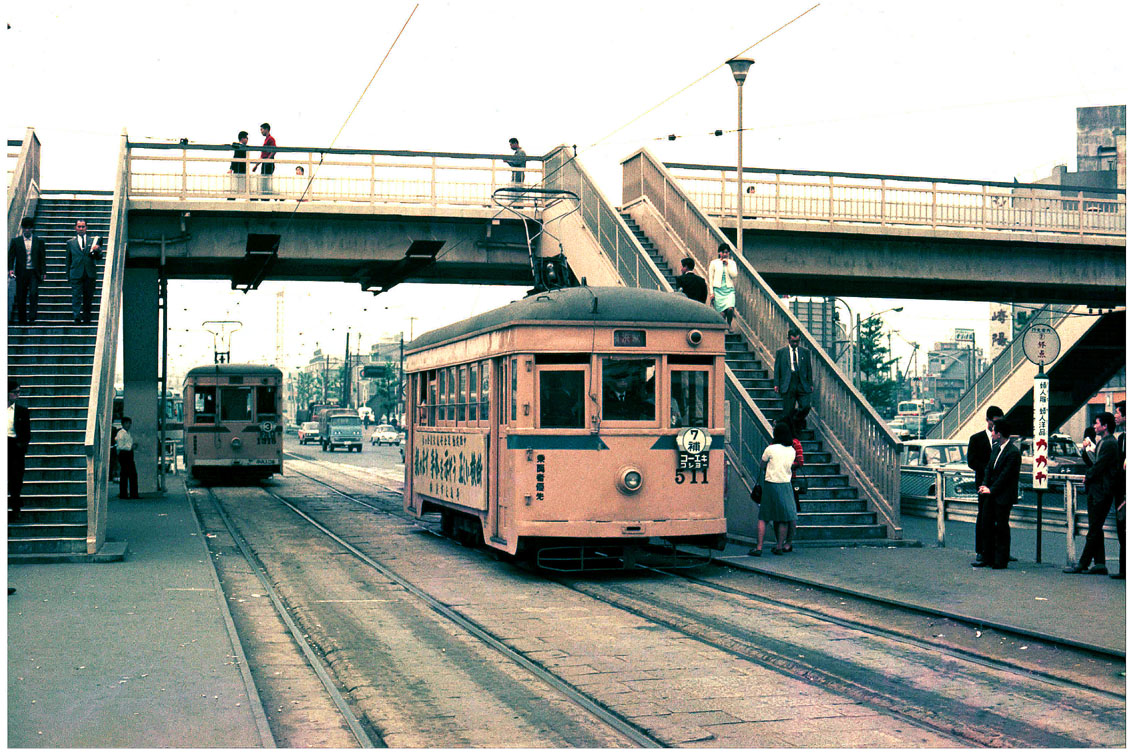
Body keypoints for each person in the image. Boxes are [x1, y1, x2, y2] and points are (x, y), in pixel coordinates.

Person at [1066, 412, 1119, 575]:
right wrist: (1084, 452)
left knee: (1094, 528)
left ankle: (1083, 563)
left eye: (1097, 423)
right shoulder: (1104, 442)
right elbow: (1094, 463)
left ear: (1105, 426)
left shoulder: (1109, 443)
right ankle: (1100, 563)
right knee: (1095, 527)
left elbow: (1099, 466)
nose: (1094, 426)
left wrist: (1087, 477)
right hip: (1097, 490)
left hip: (1102, 491)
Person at [973, 418, 1021, 569]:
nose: (991, 432)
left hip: (1003, 496)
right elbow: (988, 468)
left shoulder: (1013, 452)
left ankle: (1000, 559)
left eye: (993, 430)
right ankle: (987, 556)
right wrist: (984, 484)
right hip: (990, 493)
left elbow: (1005, 476)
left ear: (999, 434)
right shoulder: (995, 448)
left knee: (1001, 527)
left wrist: (991, 489)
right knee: (986, 524)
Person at [749, 422, 798, 556]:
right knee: (783, 518)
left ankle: (759, 547)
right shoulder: (792, 450)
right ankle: (779, 546)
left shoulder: (770, 449)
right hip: (786, 485)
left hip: (771, 484)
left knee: (764, 517)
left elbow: (762, 464)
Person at [967, 405, 1003, 565]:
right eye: (994, 422)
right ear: (987, 420)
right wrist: (987, 470)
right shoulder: (977, 439)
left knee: (1000, 517)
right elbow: (971, 461)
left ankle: (998, 550)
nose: (996, 425)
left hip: (998, 484)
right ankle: (981, 550)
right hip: (983, 482)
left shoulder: (1003, 438)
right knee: (983, 515)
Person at [773, 327, 814, 432]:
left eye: (797, 341)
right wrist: (776, 383)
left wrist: (810, 383)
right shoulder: (781, 352)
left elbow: (809, 368)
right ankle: (793, 431)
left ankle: (796, 420)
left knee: (806, 406)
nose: (795, 344)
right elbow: (777, 369)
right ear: (788, 339)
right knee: (788, 410)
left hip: (801, 382)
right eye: (793, 341)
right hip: (788, 382)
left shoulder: (805, 352)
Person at [8, 217, 47, 325]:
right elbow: (11, 256)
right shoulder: (16, 241)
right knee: (21, 295)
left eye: (29, 228)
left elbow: (42, 258)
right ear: (22, 229)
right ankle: (22, 319)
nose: (27, 231)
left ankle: (32, 317)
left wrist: (44, 272)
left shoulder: (39, 241)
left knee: (34, 293)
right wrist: (10, 269)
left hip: (34, 272)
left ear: (32, 229)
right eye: (25, 228)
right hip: (21, 272)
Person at [67, 219, 102, 324]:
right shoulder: (70, 243)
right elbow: (68, 260)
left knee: (88, 297)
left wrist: (98, 250)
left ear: (86, 228)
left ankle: (86, 317)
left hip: (89, 272)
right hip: (76, 272)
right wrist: (68, 274)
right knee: (76, 296)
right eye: (79, 226)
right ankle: (76, 316)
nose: (81, 229)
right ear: (75, 228)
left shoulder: (92, 241)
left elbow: (98, 257)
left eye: (83, 226)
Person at [8, 378, 30, 519]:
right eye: (15, 392)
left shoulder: (22, 411)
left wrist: (21, 445)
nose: (18, 395)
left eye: (19, 392)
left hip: (14, 446)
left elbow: (27, 433)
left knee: (16, 478)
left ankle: (15, 506)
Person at [707, 243, 738, 329]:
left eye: (727, 252)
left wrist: (727, 265)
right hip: (718, 290)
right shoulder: (714, 263)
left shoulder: (732, 263)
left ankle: (729, 323)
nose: (725, 254)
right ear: (719, 253)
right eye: (723, 252)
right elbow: (711, 278)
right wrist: (711, 292)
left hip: (729, 289)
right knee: (721, 313)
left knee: (730, 309)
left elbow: (734, 275)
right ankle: (723, 328)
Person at [1112, 401, 1125, 579]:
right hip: (1120, 491)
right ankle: (1124, 570)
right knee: (1122, 531)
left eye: (1118, 413)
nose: (1115, 415)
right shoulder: (1121, 438)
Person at [116, 416, 139, 500]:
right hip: (124, 454)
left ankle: (129, 493)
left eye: (129, 423)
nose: (128, 425)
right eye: (126, 423)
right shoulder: (121, 433)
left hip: (128, 454)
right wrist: (131, 447)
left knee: (128, 474)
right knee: (128, 474)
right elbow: (121, 446)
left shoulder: (127, 433)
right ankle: (128, 494)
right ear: (123, 424)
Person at [253, 122, 277, 196]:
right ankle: (265, 196)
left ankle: (267, 196)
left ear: (266, 129)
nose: (261, 131)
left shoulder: (271, 139)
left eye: (262, 129)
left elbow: (274, 150)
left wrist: (268, 160)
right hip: (265, 163)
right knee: (264, 181)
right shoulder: (267, 139)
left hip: (268, 164)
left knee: (266, 181)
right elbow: (263, 155)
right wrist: (256, 165)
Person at [228, 130, 249, 196]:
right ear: (242, 139)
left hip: (240, 168)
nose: (247, 140)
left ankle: (232, 197)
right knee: (240, 183)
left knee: (239, 183)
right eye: (246, 138)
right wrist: (231, 168)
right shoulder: (240, 147)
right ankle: (232, 197)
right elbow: (235, 158)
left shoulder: (240, 147)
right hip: (240, 168)